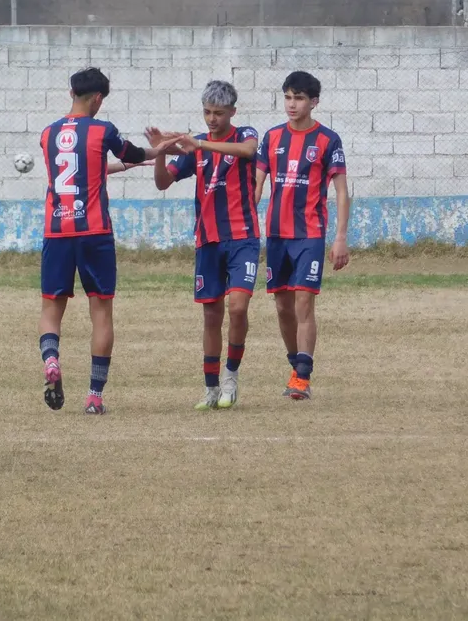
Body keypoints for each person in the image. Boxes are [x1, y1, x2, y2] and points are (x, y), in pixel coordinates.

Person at [39, 67, 176, 414]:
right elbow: (130, 152)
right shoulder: (103, 130)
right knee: (101, 312)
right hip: (94, 231)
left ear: (71, 92)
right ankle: (94, 397)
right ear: (98, 99)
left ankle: (52, 359)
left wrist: (122, 165)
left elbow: (80, 169)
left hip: (56, 231)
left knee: (51, 309)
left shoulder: (48, 133)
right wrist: (156, 150)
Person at [149, 80, 260, 411]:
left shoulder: (243, 135)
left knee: (238, 307)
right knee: (211, 316)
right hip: (207, 241)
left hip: (243, 237)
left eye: (219, 113)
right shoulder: (194, 148)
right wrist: (159, 152)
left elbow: (249, 152)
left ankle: (231, 376)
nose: (212, 119)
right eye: (208, 113)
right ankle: (211, 387)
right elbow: (162, 182)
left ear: (232, 113)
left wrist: (200, 144)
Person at [255, 71, 350, 400]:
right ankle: (295, 365)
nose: (291, 104)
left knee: (303, 303)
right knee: (283, 307)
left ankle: (302, 377)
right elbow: (257, 186)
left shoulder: (327, 140)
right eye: (288, 97)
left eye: (298, 98)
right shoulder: (271, 138)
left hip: (309, 234)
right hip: (277, 235)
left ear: (314, 102)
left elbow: (341, 191)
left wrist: (340, 237)